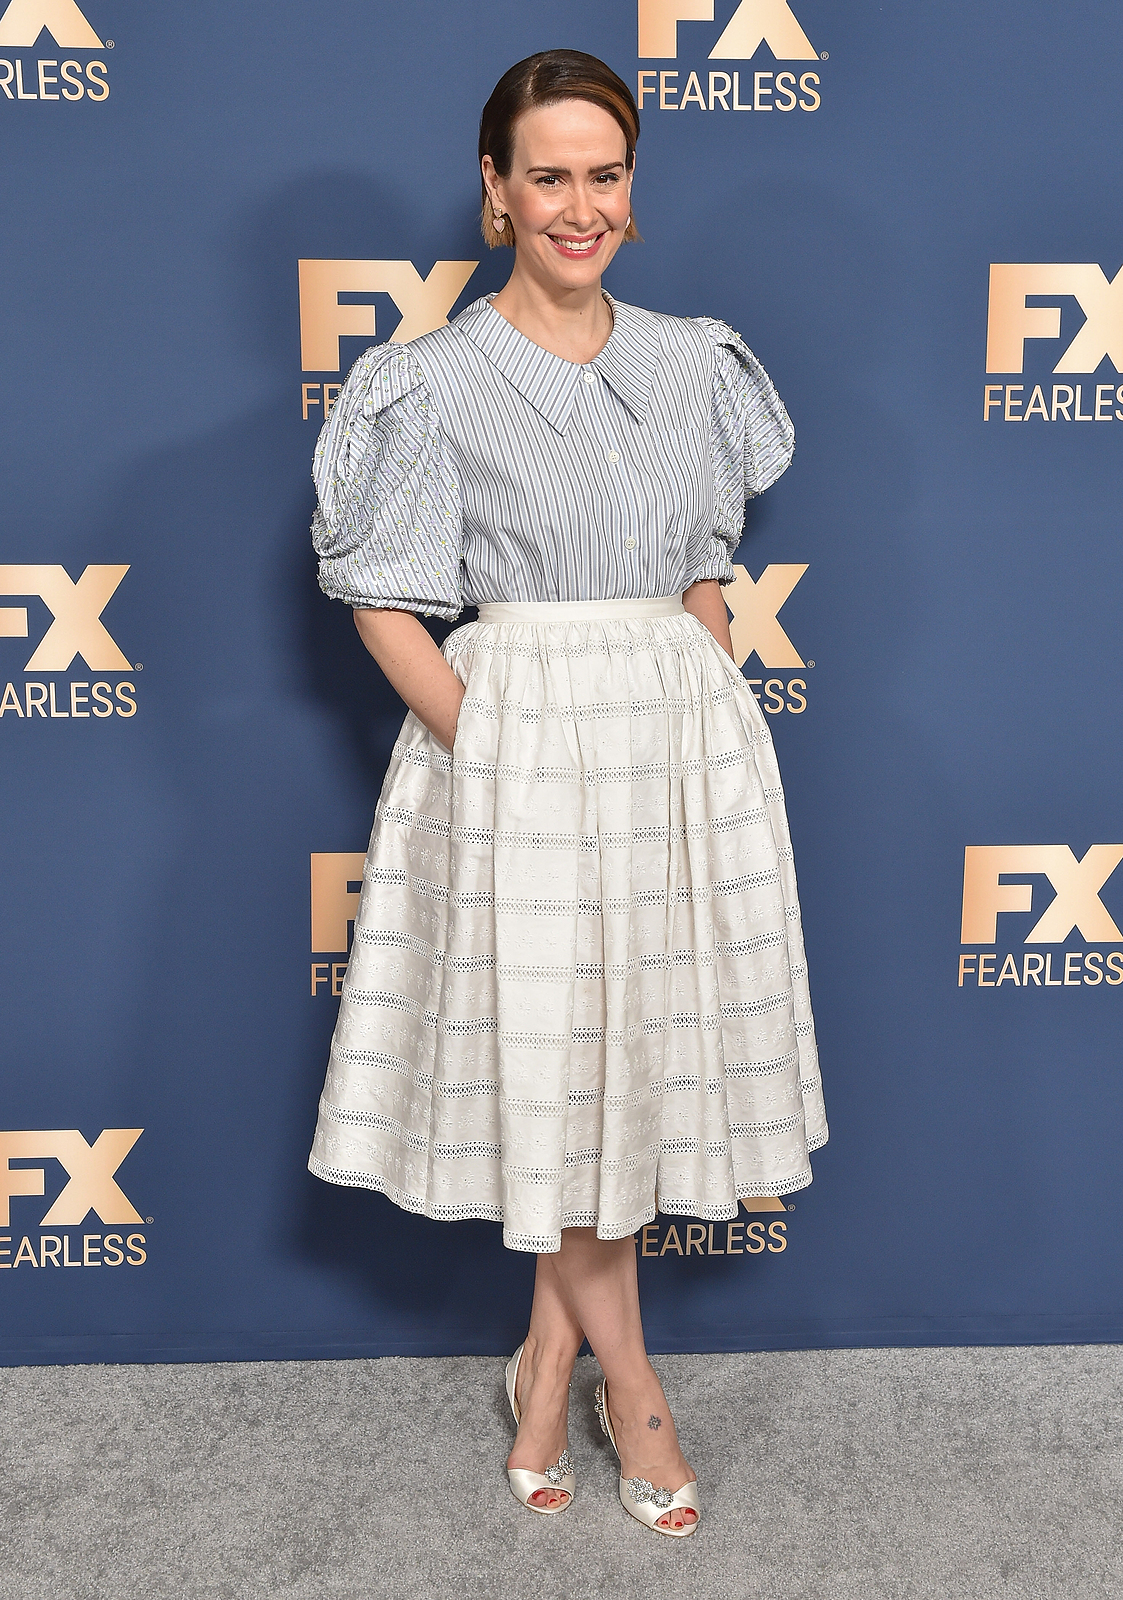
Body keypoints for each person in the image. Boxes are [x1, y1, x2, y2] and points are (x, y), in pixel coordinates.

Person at [307, 48, 827, 1538]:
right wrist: (494, 744)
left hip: (676, 747)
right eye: (550, 175)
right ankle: (637, 1389)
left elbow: (706, 566)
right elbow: (387, 601)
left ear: (631, 187)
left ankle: (548, 1361)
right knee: (557, 1055)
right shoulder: (429, 383)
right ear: (496, 191)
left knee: (628, 1055)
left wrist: (701, 692)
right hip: (516, 743)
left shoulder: (694, 363)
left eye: (607, 173)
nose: (580, 205)